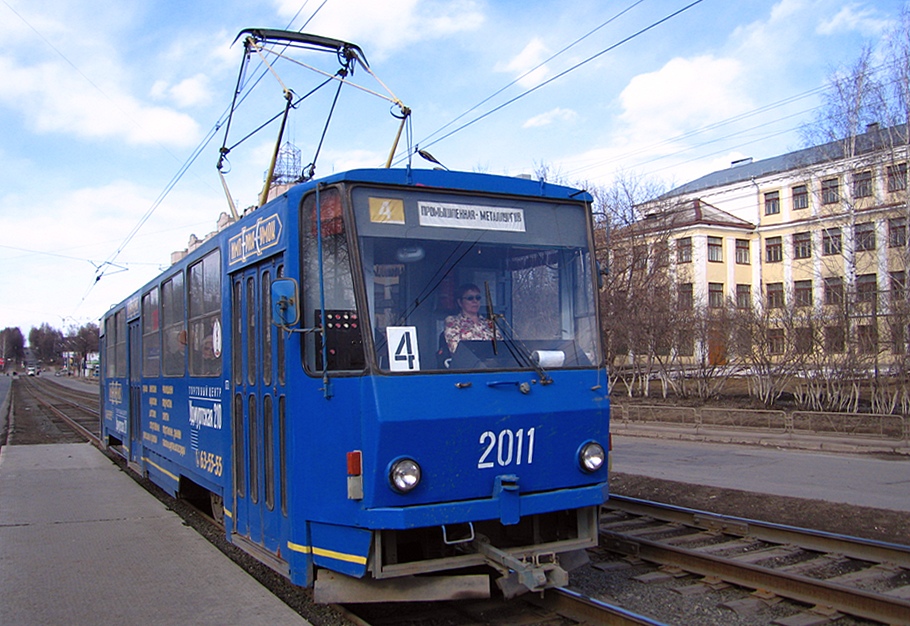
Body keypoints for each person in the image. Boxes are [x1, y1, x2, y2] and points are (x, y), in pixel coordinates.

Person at [444, 283, 494, 354]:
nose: (475, 301)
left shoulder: (489, 323)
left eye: (478, 298)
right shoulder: (453, 321)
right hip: (467, 364)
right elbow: (455, 349)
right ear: (460, 302)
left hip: (492, 364)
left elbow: (499, 347)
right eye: (470, 298)